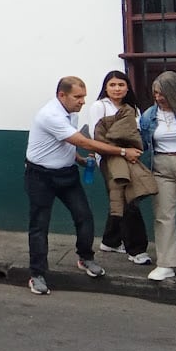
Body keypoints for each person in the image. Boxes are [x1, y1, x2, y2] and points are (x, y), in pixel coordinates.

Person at [24, 77, 140, 295]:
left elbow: (64, 144)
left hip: (67, 174)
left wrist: (78, 160)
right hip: (40, 176)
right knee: (39, 225)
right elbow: (84, 142)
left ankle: (85, 258)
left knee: (84, 216)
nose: (82, 102)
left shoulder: (71, 111)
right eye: (78, 97)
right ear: (61, 95)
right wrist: (124, 152)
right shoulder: (50, 115)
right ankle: (37, 274)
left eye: (83, 96)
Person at [90, 71, 155, 265]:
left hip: (131, 158)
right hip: (110, 159)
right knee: (129, 198)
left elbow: (139, 133)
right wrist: (123, 151)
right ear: (105, 87)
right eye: (112, 85)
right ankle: (137, 249)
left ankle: (111, 241)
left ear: (127, 87)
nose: (117, 88)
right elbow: (97, 137)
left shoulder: (133, 108)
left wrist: (133, 151)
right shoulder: (99, 106)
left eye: (121, 84)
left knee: (119, 197)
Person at [142, 72, 176, 281]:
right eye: (156, 93)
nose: (159, 97)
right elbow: (142, 143)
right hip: (160, 166)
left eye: (163, 93)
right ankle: (166, 264)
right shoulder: (149, 115)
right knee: (163, 216)